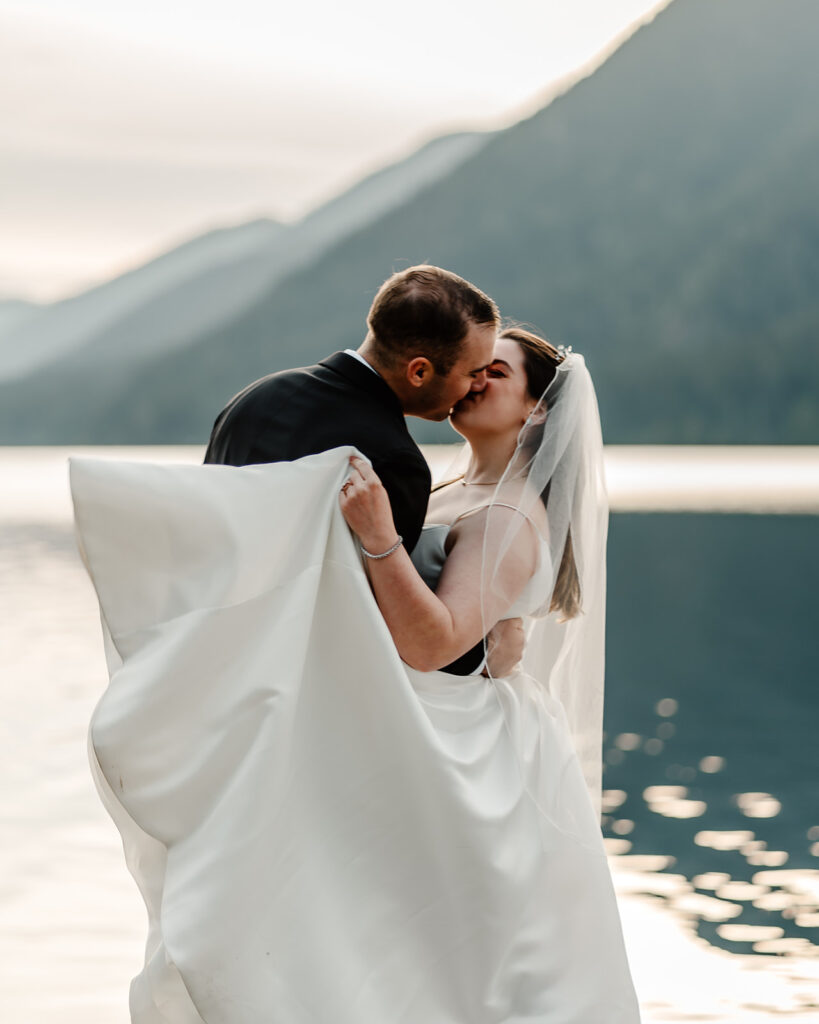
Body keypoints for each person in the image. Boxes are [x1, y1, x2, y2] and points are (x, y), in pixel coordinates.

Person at [69, 326, 640, 1022]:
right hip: (414, 729)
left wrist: (377, 537)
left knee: (444, 954)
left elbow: (432, 643)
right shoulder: (461, 489)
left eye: (496, 374)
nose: (475, 381)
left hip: (468, 753)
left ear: (538, 410)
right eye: (474, 369)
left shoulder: (511, 513)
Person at [204, 263, 518, 675]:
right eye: (473, 373)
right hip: (296, 681)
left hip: (214, 655)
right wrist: (483, 653)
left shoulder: (251, 400)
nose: (477, 386)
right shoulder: (393, 459)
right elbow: (375, 623)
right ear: (419, 371)